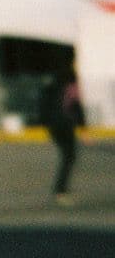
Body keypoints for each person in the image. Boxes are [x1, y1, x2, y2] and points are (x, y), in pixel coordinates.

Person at [40, 67, 86, 205]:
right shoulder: (72, 88)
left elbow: (43, 107)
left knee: (67, 156)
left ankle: (60, 191)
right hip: (65, 126)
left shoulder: (50, 88)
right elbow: (77, 107)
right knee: (69, 157)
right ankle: (61, 191)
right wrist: (83, 129)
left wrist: (46, 124)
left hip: (54, 127)